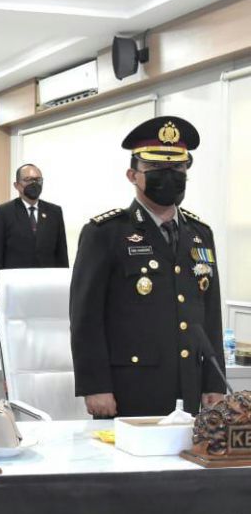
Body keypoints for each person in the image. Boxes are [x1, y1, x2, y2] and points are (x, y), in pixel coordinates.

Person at [70, 116, 225, 417]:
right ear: (132, 175)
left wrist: (214, 381)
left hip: (189, 387)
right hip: (130, 388)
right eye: (155, 167)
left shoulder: (200, 234)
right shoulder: (106, 233)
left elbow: (210, 315)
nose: (169, 176)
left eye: (177, 168)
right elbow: (86, 318)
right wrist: (95, 385)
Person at [0, 163, 68, 293]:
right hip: (15, 287)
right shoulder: (4, 212)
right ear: (17, 185)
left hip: (48, 286)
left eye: (38, 180)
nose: (34, 183)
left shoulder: (54, 212)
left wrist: (65, 287)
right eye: (28, 180)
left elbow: (61, 253)